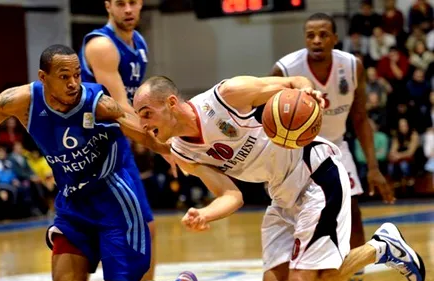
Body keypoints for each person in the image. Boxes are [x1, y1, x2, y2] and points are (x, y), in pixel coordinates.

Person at [133, 75, 425, 281]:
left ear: (171, 103)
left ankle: (382, 248)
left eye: (146, 114)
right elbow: (232, 196)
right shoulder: (183, 152)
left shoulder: (227, 96)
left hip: (315, 174)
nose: (143, 125)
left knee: (305, 278)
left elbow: (294, 83)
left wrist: (309, 94)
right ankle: (384, 247)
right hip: (281, 194)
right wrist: (204, 214)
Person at [0, 44, 191, 281]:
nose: (73, 83)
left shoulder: (98, 104)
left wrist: (174, 150)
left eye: (77, 75)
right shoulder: (21, 101)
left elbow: (142, 134)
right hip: (73, 204)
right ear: (43, 76)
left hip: (113, 202)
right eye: (64, 76)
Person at [270, 12, 395, 280]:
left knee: (352, 213)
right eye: (310, 35)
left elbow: (360, 118)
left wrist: (373, 167)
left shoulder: (352, 66)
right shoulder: (286, 68)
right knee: (296, 218)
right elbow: (266, 116)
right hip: (296, 151)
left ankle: (355, 270)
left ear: (335, 39)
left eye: (323, 35)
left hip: (336, 147)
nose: (316, 40)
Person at [78, 1, 157, 279]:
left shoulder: (140, 42)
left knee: (145, 228)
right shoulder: (102, 45)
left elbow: (134, 108)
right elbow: (121, 108)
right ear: (108, 5)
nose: (128, 9)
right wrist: (163, 143)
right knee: (88, 237)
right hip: (89, 148)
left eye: (133, 2)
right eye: (120, 3)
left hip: (116, 144)